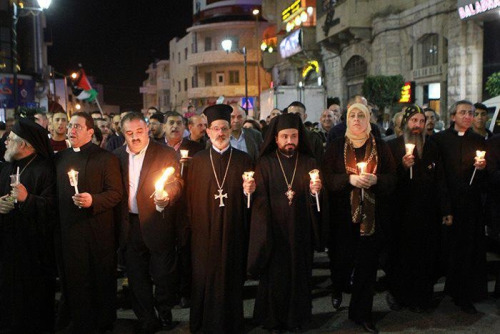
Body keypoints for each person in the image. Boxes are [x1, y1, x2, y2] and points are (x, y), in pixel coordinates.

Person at [323, 103, 396, 333]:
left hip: (371, 219)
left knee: (367, 268)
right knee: (343, 263)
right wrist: (349, 180)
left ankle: (362, 313)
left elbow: (393, 178)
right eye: (352, 115)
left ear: (368, 120)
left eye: (361, 116)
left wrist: (377, 181)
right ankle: (339, 289)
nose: (356, 119)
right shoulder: (335, 147)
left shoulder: (381, 146)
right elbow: (326, 178)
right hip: (342, 219)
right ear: (346, 120)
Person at [247, 113, 322, 332]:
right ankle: (274, 319)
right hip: (275, 231)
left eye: (294, 136)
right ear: (276, 138)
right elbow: (259, 200)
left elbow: (317, 198)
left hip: (301, 229)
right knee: (276, 278)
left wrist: (315, 192)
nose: (290, 141)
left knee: (300, 276)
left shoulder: (309, 162)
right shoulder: (265, 163)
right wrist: (265, 229)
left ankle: (298, 319)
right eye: (285, 136)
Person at [187, 104, 255, 333]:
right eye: (215, 128)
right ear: (207, 131)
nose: (220, 133)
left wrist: (249, 191)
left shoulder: (244, 160)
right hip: (204, 233)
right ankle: (203, 325)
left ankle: (232, 325)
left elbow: (252, 200)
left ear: (230, 128)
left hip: (233, 229)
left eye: (224, 128)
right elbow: (190, 200)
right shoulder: (197, 161)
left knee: (231, 277)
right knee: (204, 278)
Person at [114, 112, 183, 333]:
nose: (135, 137)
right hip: (131, 225)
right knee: (136, 277)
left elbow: (176, 182)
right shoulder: (116, 157)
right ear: (123, 134)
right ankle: (146, 318)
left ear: (148, 130)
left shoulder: (164, 153)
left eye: (139, 132)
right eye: (130, 133)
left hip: (157, 222)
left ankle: (164, 310)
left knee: (163, 274)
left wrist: (168, 196)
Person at [55, 112, 123, 333]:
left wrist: (93, 199)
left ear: (90, 132)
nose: (71, 130)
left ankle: (102, 321)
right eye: (70, 126)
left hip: (98, 231)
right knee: (75, 278)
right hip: (70, 230)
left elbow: (115, 193)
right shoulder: (60, 158)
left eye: (77, 126)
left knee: (99, 278)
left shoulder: (106, 158)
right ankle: (77, 319)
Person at [386, 105, 451, 312]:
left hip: (427, 214)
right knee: (402, 257)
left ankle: (423, 297)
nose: (418, 125)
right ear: (406, 123)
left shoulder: (431, 147)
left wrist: (446, 210)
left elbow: (440, 180)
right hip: (401, 213)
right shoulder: (393, 147)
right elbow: (388, 181)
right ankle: (401, 296)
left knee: (427, 256)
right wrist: (402, 167)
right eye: (414, 121)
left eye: (421, 121)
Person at [0, 119, 56, 333]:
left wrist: (27, 199)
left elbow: (52, 208)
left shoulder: (45, 170)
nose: (6, 142)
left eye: (11, 138)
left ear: (24, 144)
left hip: (34, 253)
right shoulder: (6, 167)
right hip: (7, 247)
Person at [432, 100, 488, 314]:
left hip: (470, 206)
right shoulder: (439, 140)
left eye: (471, 113)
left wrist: (481, 169)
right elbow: (439, 177)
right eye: (463, 112)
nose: (468, 116)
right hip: (447, 205)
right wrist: (445, 208)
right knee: (446, 250)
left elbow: (483, 180)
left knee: (467, 251)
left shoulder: (479, 140)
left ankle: (462, 294)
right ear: (453, 116)